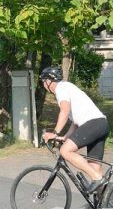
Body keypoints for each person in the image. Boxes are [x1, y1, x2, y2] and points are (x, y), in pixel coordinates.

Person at [39, 66, 109, 195]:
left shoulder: (61, 89)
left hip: (93, 124)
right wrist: (65, 137)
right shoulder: (68, 87)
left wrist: (54, 133)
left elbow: (64, 112)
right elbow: (76, 122)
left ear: (49, 81)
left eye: (43, 81)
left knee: (65, 151)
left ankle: (98, 179)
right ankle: (101, 208)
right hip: (100, 124)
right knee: (94, 167)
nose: (43, 84)